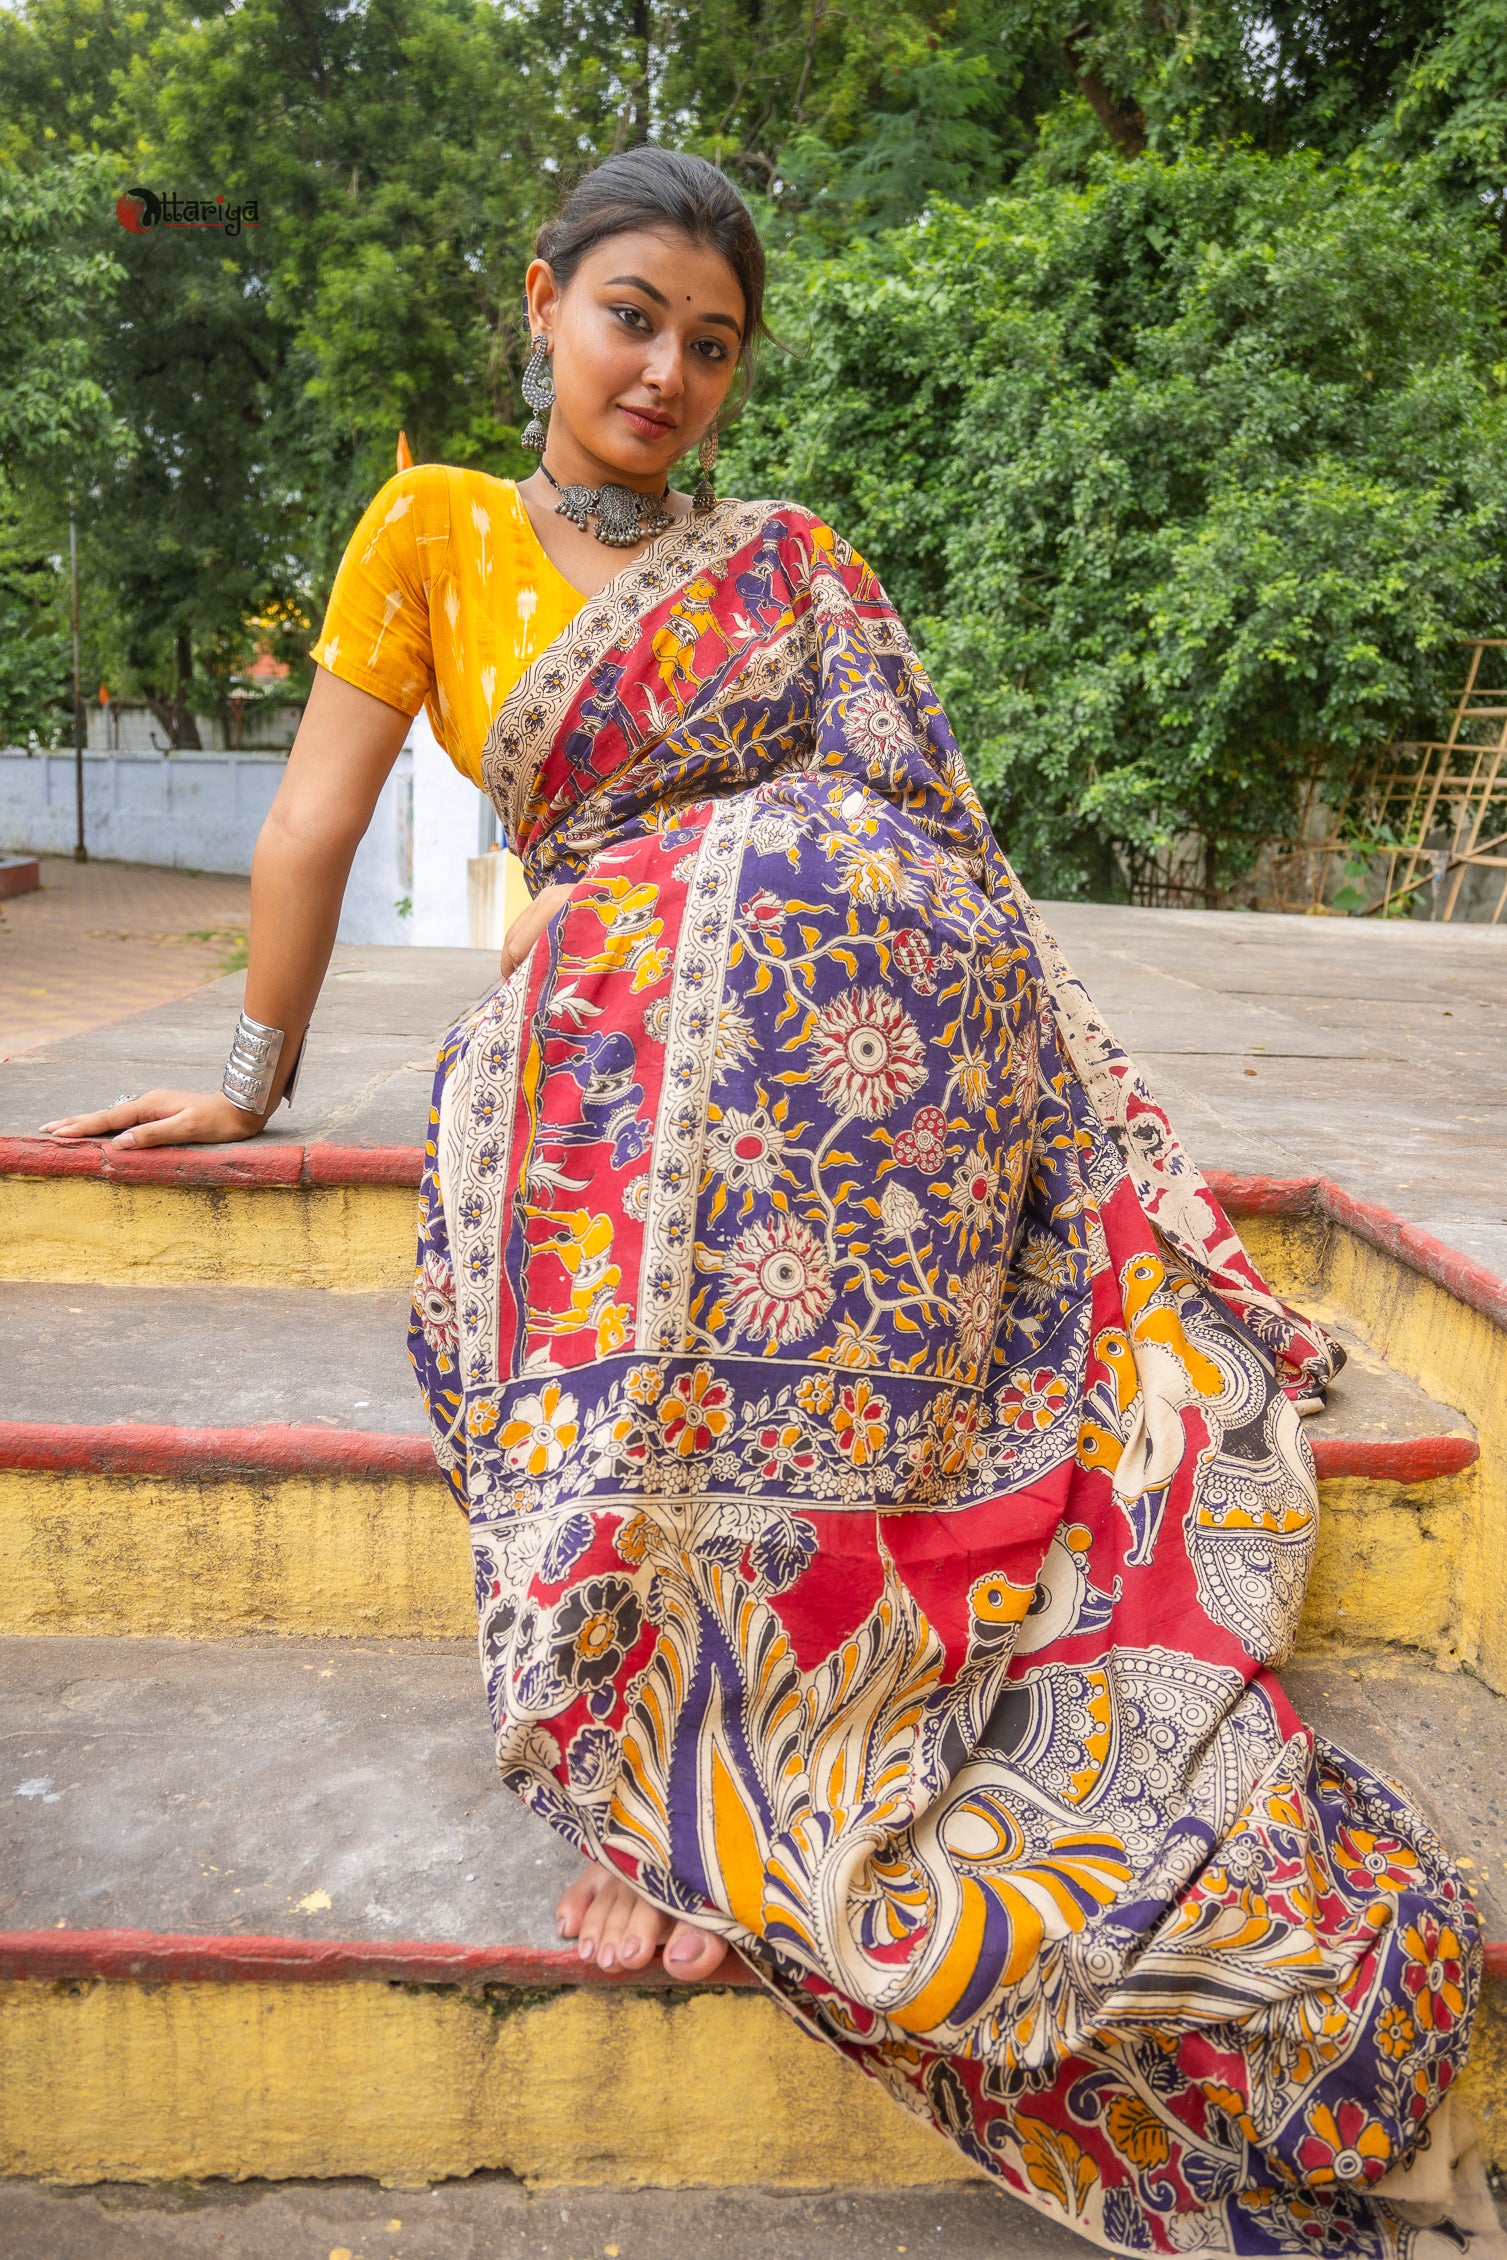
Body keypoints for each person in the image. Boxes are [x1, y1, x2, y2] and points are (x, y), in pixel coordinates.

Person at [43, 149, 1493, 2259]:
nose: (667, 371)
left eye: (711, 345)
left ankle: (782, 1729)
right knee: (643, 1069)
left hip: (844, 1021)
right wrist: (249, 1081)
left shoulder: (790, 558)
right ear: (540, 303)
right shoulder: (429, 525)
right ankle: (681, 1769)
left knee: (840, 960)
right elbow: (311, 818)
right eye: (631, 314)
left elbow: (922, 802)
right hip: (608, 1012)